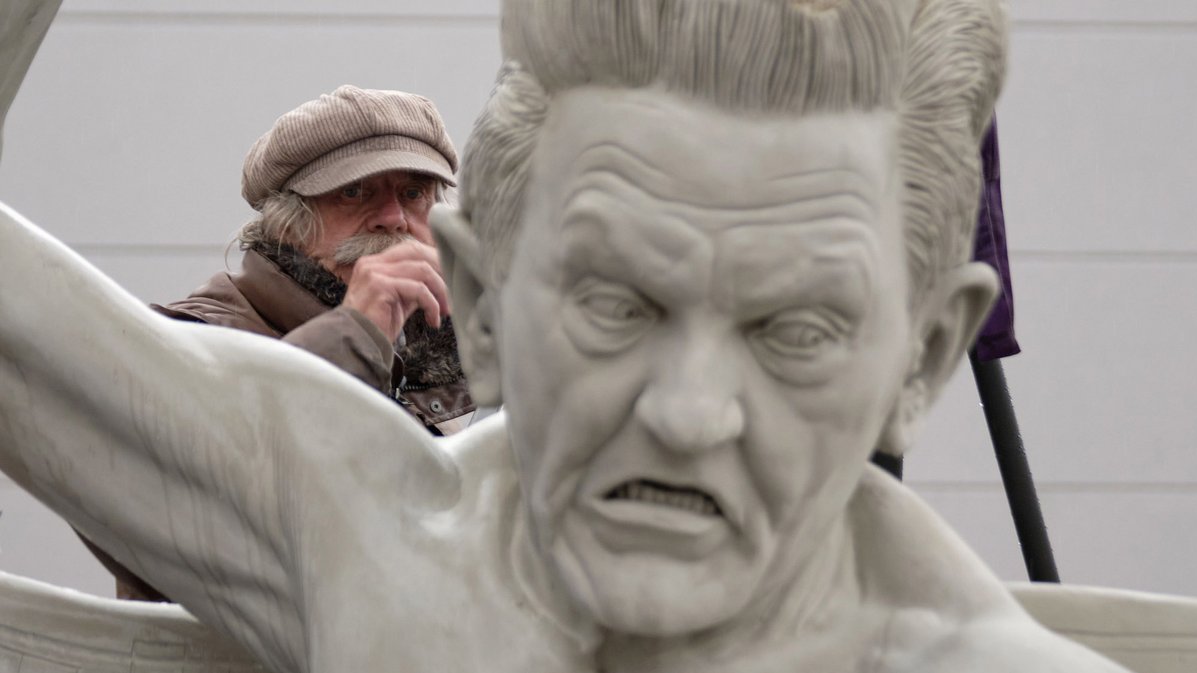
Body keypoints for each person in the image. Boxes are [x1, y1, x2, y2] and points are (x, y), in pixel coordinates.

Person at [0, 0, 1133, 671]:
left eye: (792, 329)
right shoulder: (378, 535)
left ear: (923, 360)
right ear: (488, 305)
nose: (687, 412)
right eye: (616, 306)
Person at [84, 85, 477, 602]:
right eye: (355, 193)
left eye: (413, 193)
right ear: (288, 224)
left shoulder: (455, 352)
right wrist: (354, 334)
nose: (393, 217)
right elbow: (162, 527)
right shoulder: (185, 339)